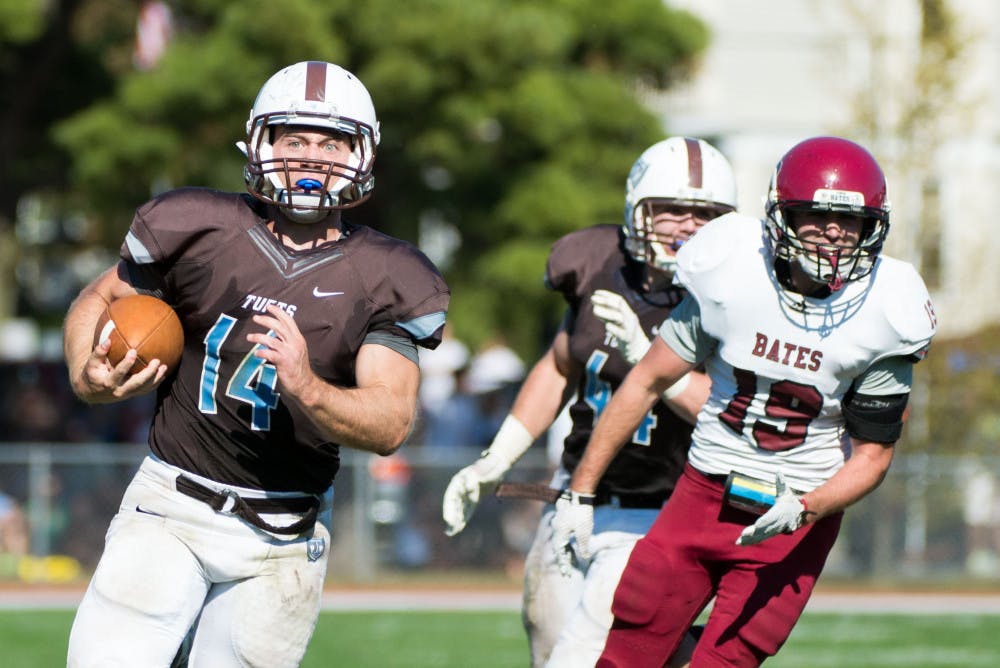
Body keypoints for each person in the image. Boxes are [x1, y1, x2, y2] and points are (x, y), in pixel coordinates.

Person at [62, 61, 449, 668]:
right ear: (261, 143)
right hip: (170, 505)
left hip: (282, 537)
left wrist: (308, 387)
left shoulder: (389, 275)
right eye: (294, 138)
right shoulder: (199, 227)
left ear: (363, 154)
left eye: (332, 142)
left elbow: (391, 421)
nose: (312, 158)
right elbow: (100, 296)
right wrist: (86, 372)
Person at [554, 136, 938, 667]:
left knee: (726, 661)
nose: (833, 232)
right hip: (701, 493)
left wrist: (806, 508)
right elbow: (643, 381)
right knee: (627, 648)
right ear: (781, 216)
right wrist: (580, 492)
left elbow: (873, 456)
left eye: (850, 222)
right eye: (817, 213)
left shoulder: (888, 310)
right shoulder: (733, 268)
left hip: (795, 513)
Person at [442, 137, 738, 667]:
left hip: (661, 512)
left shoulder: (729, 298)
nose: (688, 225)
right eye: (671, 209)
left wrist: (653, 364)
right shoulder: (595, 262)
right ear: (637, 208)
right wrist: (499, 456)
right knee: (548, 647)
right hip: (572, 498)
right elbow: (560, 365)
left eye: (705, 213)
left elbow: (725, 410)